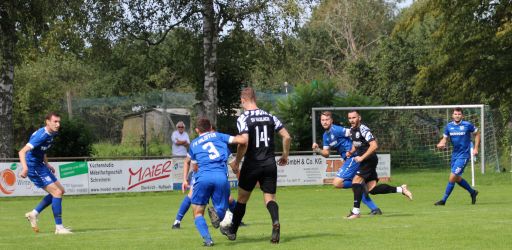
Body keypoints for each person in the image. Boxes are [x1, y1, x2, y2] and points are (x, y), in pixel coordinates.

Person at [221, 87, 291, 244]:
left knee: (242, 199)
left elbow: (243, 142)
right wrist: (285, 155)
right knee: (270, 198)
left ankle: (232, 231)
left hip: (252, 165)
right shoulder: (270, 116)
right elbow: (286, 136)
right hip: (269, 164)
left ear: (243, 100)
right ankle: (275, 222)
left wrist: (237, 162)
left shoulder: (243, 118)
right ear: (255, 98)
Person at [182, 118, 247, 246]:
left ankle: (208, 239)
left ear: (197, 130)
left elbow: (194, 167)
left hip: (203, 178)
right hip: (221, 178)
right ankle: (221, 218)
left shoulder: (194, 144)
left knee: (197, 212)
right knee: (221, 209)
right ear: (210, 127)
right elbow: (242, 141)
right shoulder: (218, 136)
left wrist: (186, 179)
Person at [345, 110, 413, 219]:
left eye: (354, 117)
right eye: (350, 118)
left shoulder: (364, 129)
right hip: (366, 160)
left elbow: (374, 145)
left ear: (359, 118)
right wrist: (351, 152)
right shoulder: (352, 130)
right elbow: (357, 144)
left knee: (355, 181)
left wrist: (362, 157)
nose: (352, 120)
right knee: (372, 190)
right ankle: (401, 189)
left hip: (369, 160)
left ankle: (356, 212)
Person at [312, 111, 382, 215]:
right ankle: (375, 209)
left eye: (327, 120)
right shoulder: (325, 136)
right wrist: (318, 150)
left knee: (337, 182)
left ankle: (360, 186)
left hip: (353, 158)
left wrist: (365, 143)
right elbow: (326, 153)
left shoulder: (337, 130)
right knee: (356, 188)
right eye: (322, 120)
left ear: (331, 120)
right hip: (349, 159)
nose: (325, 122)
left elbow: (354, 132)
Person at [18, 112, 72, 234]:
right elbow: (22, 152)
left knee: (61, 191)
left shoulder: (52, 133)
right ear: (47, 122)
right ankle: (59, 228)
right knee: (57, 192)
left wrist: (47, 164)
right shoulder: (41, 135)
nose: (58, 124)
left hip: (41, 166)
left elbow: (43, 150)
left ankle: (33, 213)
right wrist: (25, 168)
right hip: (33, 167)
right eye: (55, 122)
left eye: (59, 122)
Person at [434, 107, 479, 206]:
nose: (457, 115)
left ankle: (443, 200)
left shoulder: (467, 125)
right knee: (457, 178)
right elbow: (444, 139)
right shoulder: (449, 126)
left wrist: (475, 148)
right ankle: (472, 192)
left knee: (452, 177)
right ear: (452, 115)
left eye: (459, 114)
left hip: (464, 155)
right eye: (455, 114)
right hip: (455, 155)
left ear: (462, 115)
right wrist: (440, 144)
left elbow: (477, 134)